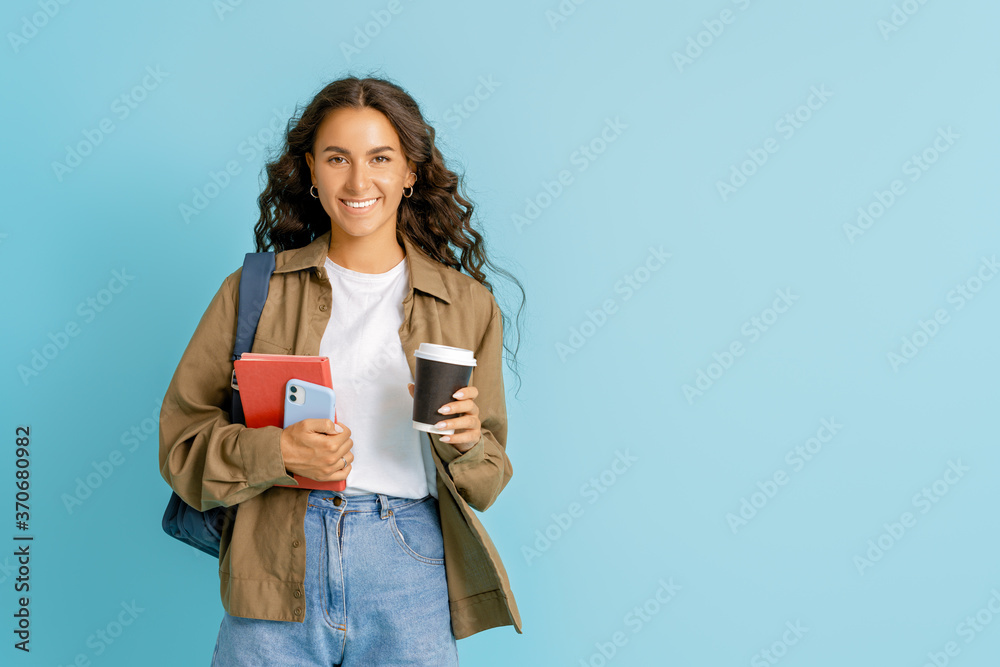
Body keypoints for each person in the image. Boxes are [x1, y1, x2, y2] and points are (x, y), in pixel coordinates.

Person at [158, 75, 526, 665]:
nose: (358, 181)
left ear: (410, 171)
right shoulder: (253, 290)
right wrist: (278, 452)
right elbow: (180, 446)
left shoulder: (468, 305)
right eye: (337, 158)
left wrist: (463, 443)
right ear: (310, 169)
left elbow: (487, 479)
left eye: (381, 158)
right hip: (274, 561)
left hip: (409, 564)